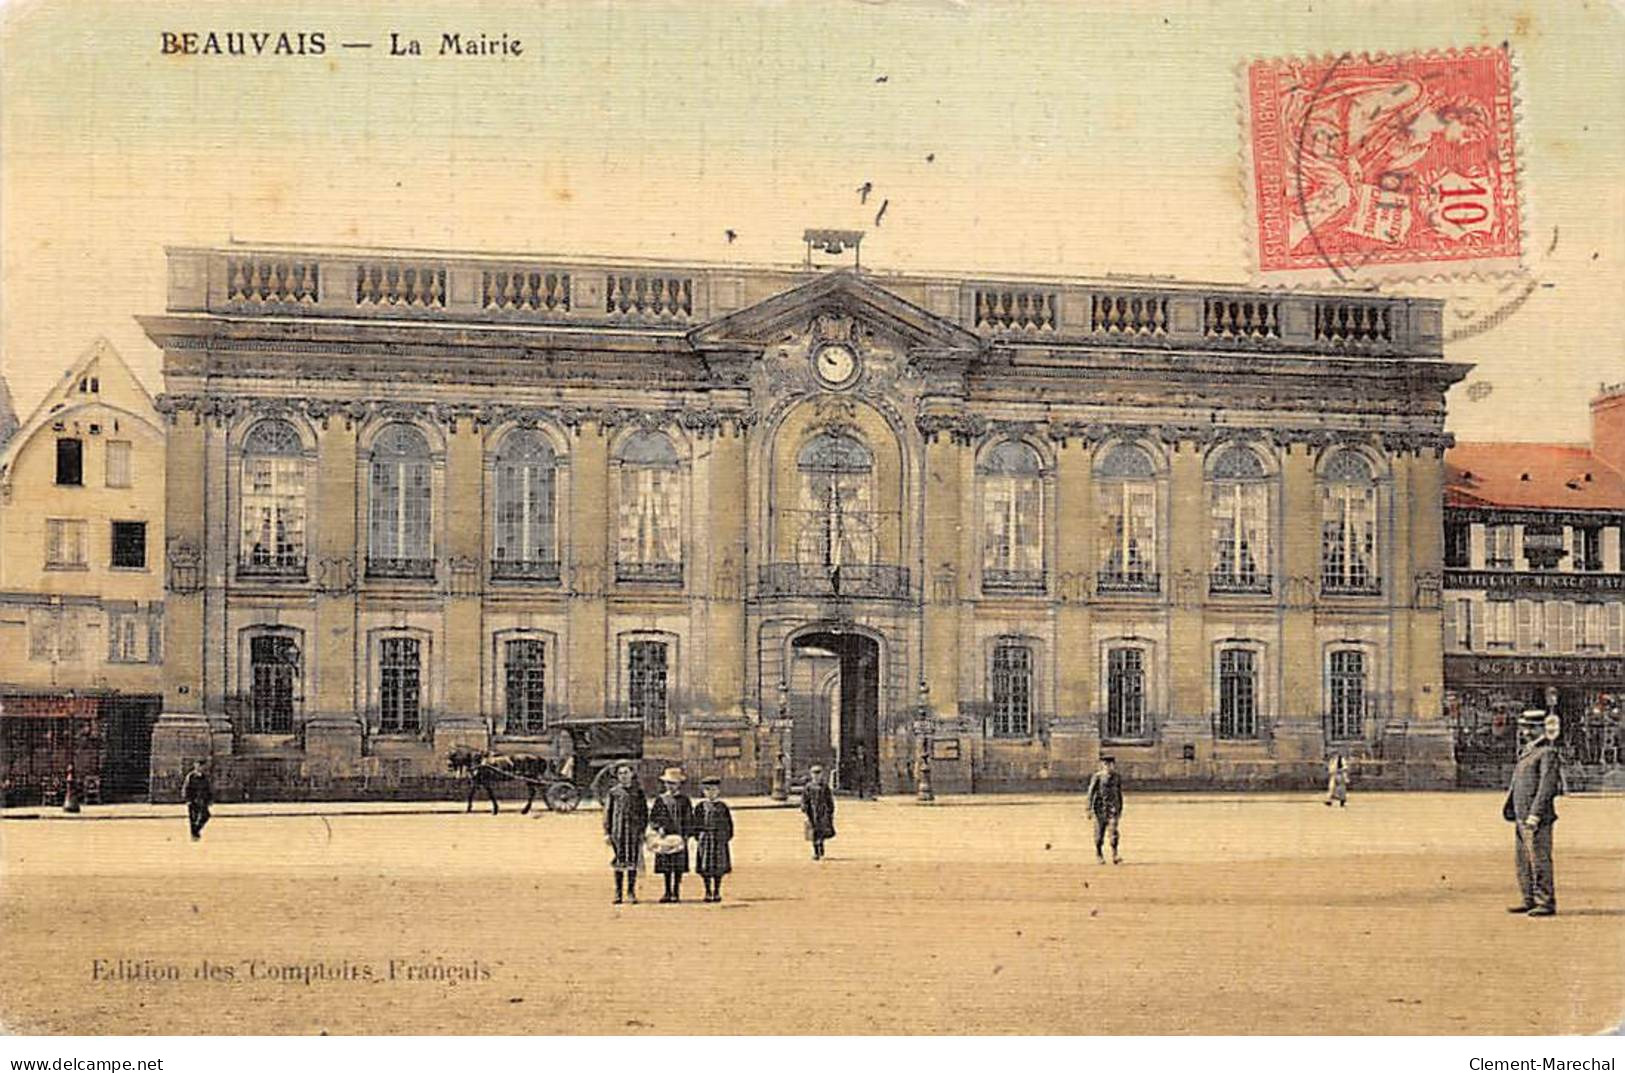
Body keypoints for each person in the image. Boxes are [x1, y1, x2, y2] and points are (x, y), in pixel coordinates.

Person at [1502, 712, 1563, 917]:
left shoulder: (1547, 752)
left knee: (1539, 858)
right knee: (1523, 859)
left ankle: (1545, 901)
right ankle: (1528, 898)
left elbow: (1547, 787)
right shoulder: (1529, 750)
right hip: (1521, 813)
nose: (1527, 732)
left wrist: (1535, 814)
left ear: (1542, 729)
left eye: (1532, 728)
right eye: (1525, 727)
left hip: (1535, 817)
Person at [602, 763, 648, 905]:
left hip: (633, 833)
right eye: (621, 773)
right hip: (618, 833)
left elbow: (644, 813)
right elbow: (607, 814)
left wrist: (642, 831)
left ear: (632, 774)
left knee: (632, 861)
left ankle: (631, 892)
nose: (624, 776)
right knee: (619, 861)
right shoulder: (613, 792)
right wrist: (607, 833)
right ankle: (618, 892)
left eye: (626, 772)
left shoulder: (638, 792)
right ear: (617, 776)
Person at [648, 767, 694, 904]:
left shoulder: (684, 800)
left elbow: (689, 818)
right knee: (666, 865)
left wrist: (686, 834)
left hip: (679, 836)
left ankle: (676, 891)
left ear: (679, 784)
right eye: (668, 783)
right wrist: (658, 828)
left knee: (678, 865)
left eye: (674, 783)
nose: (671, 786)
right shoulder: (660, 800)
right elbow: (653, 818)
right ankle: (667, 891)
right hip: (665, 838)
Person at [692, 776, 734, 903]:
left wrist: (725, 837)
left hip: (719, 840)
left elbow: (729, 824)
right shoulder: (700, 806)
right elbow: (695, 823)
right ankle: (707, 890)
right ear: (704, 792)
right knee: (705, 866)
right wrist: (699, 836)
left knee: (718, 866)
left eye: (714, 790)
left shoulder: (722, 806)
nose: (711, 793)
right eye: (708, 790)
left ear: (718, 791)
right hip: (705, 839)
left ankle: (716, 890)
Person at [1085, 755, 1123, 865]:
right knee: (1099, 834)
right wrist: (1088, 808)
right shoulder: (1098, 777)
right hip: (1100, 808)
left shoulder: (1117, 777)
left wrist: (1119, 808)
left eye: (1111, 764)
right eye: (1106, 764)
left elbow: (1118, 793)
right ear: (1102, 765)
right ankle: (1099, 854)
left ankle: (1115, 854)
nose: (1108, 767)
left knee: (1113, 831)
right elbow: (1091, 793)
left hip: (1112, 809)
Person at [801, 764, 837, 860]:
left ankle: (820, 845)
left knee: (821, 830)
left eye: (818, 773)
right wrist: (804, 808)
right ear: (811, 774)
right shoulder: (808, 787)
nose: (816, 775)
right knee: (813, 831)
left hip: (823, 812)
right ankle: (816, 851)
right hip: (812, 812)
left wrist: (831, 811)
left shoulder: (824, 787)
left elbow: (829, 800)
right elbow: (805, 799)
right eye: (814, 773)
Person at [182, 760, 212, 841]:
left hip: (202, 800)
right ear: (196, 766)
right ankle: (194, 835)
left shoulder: (205, 777)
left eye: (202, 766)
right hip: (193, 800)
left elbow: (208, 789)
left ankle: (196, 830)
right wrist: (188, 799)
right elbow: (186, 788)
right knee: (193, 818)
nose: (201, 768)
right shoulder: (191, 776)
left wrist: (209, 799)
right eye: (199, 766)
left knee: (206, 815)